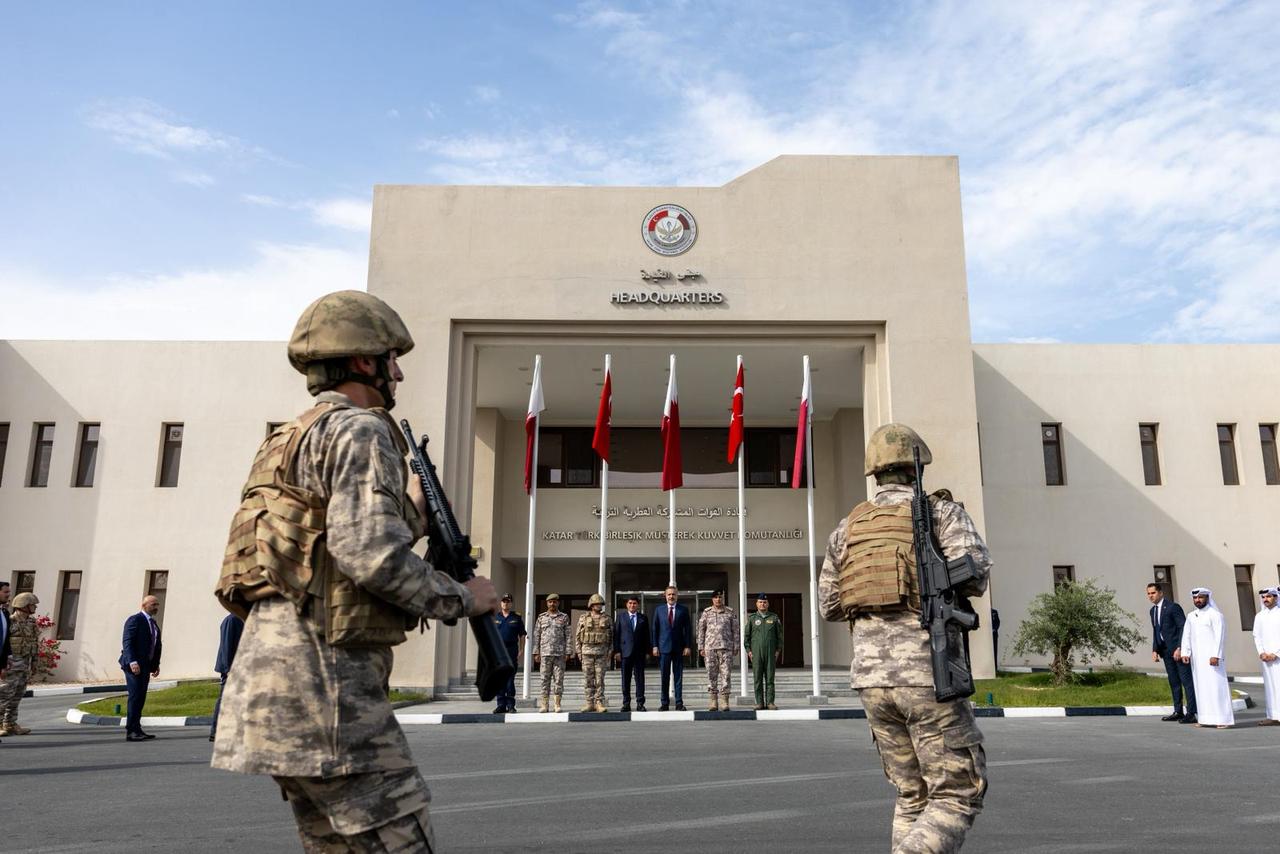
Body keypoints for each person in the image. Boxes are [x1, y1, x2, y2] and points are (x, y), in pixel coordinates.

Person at [211, 290, 498, 852]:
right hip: (330, 690)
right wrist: (468, 598)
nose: (399, 373)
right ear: (365, 361)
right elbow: (371, 558)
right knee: (401, 841)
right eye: (392, 359)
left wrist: (410, 514)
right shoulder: (362, 430)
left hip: (270, 687)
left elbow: (323, 544)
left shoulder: (287, 439)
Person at [819, 422, 991, 853]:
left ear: (874, 473)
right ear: (917, 469)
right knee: (956, 792)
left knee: (912, 795)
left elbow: (830, 604)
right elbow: (977, 574)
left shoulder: (848, 527)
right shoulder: (940, 513)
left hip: (872, 682)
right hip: (926, 673)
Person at [1179, 587, 1234, 728]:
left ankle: (1223, 720)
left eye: (1200, 597)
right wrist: (1186, 652)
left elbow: (1220, 636)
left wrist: (1216, 655)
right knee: (1201, 688)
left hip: (1212, 659)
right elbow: (1187, 635)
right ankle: (1205, 719)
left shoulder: (1215, 615)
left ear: (1207, 598)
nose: (1197, 600)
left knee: (1216, 687)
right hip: (1197, 661)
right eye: (1195, 598)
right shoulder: (1191, 616)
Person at [1147, 583, 1197, 723]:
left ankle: (1191, 712)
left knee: (1186, 682)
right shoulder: (1152, 611)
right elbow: (1156, 631)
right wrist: (1155, 649)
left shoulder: (1173, 607)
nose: (1151, 596)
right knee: (1174, 682)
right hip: (1165, 651)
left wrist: (1180, 648)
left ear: (1161, 593)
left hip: (1178, 651)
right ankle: (1178, 711)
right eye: (1149, 594)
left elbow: (1183, 627)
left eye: (1153, 593)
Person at [119, 595, 163, 742]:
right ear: (144, 605)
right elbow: (127, 642)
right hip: (134, 666)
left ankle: (137, 729)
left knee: (141, 697)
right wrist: (132, 661)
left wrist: (155, 665)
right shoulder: (135, 620)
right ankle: (131, 731)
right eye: (153, 604)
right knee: (135, 697)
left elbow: (156, 646)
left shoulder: (153, 623)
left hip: (145, 666)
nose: (156, 607)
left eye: (157, 604)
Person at [0, 591, 38, 737]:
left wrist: (34, 662)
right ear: (23, 605)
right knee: (4, 695)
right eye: (32, 604)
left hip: (24, 665)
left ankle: (10, 723)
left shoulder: (31, 622)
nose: (34, 607)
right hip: (10, 666)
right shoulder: (9, 621)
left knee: (17, 696)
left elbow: (34, 643)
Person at [696, 590, 740, 711]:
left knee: (726, 675)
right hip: (710, 648)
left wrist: (736, 646)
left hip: (726, 648)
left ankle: (724, 701)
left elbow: (735, 630)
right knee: (711, 674)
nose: (718, 599)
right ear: (712, 599)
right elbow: (701, 630)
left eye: (720, 597)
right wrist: (700, 646)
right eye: (715, 597)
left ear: (723, 598)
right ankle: (713, 701)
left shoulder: (730, 612)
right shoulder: (706, 612)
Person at [651, 585, 692, 711]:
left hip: (679, 648)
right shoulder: (659, 610)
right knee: (664, 676)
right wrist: (655, 646)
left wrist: (687, 646)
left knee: (678, 676)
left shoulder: (683, 610)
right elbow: (655, 629)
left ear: (677, 596)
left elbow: (688, 630)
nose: (671, 596)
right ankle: (664, 703)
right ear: (665, 595)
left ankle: (679, 703)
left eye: (673, 594)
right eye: (669, 594)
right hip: (663, 648)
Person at [531, 593, 572, 713]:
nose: (552, 604)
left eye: (554, 601)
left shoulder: (564, 617)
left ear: (558, 603)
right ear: (547, 603)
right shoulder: (541, 617)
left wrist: (568, 651)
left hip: (559, 654)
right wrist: (536, 652)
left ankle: (557, 704)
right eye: (550, 602)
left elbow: (568, 635)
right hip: (545, 654)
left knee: (559, 680)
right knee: (544, 679)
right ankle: (544, 704)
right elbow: (536, 635)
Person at [575, 593, 613, 712]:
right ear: (591, 605)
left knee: (600, 679)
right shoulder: (583, 618)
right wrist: (579, 653)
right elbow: (577, 636)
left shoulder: (607, 618)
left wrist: (610, 652)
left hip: (601, 654)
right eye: (596, 604)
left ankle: (599, 703)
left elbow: (611, 637)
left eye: (600, 604)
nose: (599, 606)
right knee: (588, 679)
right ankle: (589, 703)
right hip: (587, 653)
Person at [744, 593, 783, 710]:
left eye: (764, 602)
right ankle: (759, 703)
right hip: (756, 653)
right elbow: (747, 637)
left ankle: (770, 702)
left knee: (770, 678)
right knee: (757, 678)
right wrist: (749, 651)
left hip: (771, 653)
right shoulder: (752, 619)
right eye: (760, 602)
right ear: (756, 604)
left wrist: (778, 650)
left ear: (768, 604)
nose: (762, 604)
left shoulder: (774, 618)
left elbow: (780, 636)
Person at [209, 613, 244, 742]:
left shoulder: (241, 619)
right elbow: (226, 646)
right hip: (230, 668)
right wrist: (229, 669)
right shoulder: (232, 620)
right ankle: (216, 731)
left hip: (238, 667)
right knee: (224, 699)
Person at [613, 595, 649, 712]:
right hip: (625, 653)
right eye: (630, 603)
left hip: (639, 653)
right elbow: (616, 635)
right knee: (625, 679)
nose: (632, 605)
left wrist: (647, 651)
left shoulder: (643, 618)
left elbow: (646, 636)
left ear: (638, 605)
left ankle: (640, 703)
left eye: (634, 603)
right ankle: (626, 703)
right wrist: (617, 651)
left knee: (640, 679)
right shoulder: (621, 617)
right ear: (626, 605)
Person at [492, 594, 526, 714]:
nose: (505, 603)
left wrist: (521, 649)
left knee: (510, 680)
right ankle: (501, 705)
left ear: (511, 604)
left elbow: (522, 635)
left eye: (508, 601)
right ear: (501, 603)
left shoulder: (516, 618)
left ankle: (511, 705)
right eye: (504, 601)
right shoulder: (495, 617)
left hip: (511, 650)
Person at [1251, 587, 1279, 726]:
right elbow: (1257, 635)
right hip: (1266, 658)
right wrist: (1261, 652)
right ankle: (1273, 716)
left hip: (1277, 657)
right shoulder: (1259, 616)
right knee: (1270, 687)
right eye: (1263, 597)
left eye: (1269, 596)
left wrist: (1275, 653)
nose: (1265, 599)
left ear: (1276, 597)